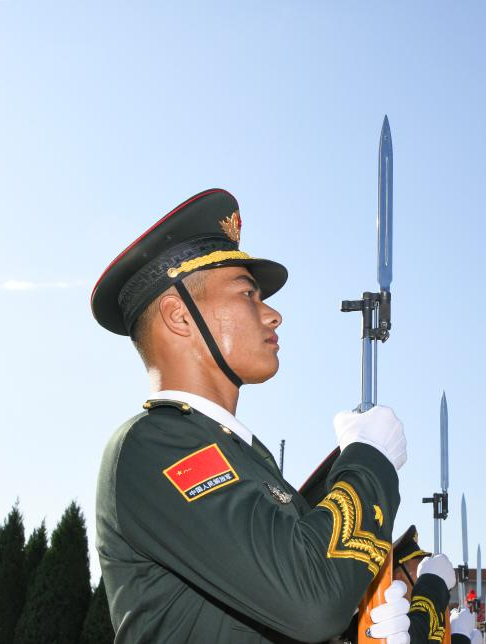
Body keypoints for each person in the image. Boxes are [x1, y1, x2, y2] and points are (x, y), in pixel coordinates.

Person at [92, 189, 454, 643]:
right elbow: (311, 600)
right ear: (180, 316)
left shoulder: (240, 457)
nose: (273, 315)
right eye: (247, 293)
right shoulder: (155, 444)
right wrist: (369, 461)